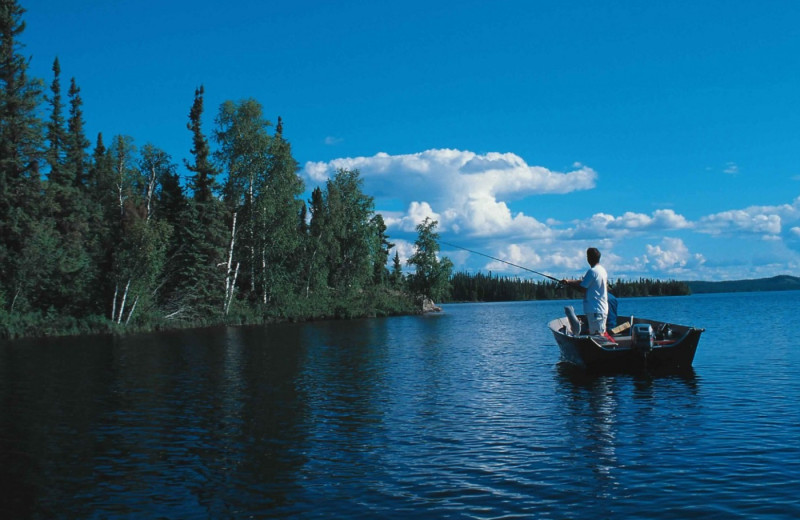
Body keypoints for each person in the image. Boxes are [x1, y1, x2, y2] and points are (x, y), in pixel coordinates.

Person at [561, 247, 612, 341]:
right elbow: (584, 281)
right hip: (600, 308)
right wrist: (569, 281)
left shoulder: (592, 271)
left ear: (589, 258)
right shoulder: (601, 270)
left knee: (598, 336)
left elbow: (582, 288)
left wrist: (570, 285)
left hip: (595, 310)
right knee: (598, 334)